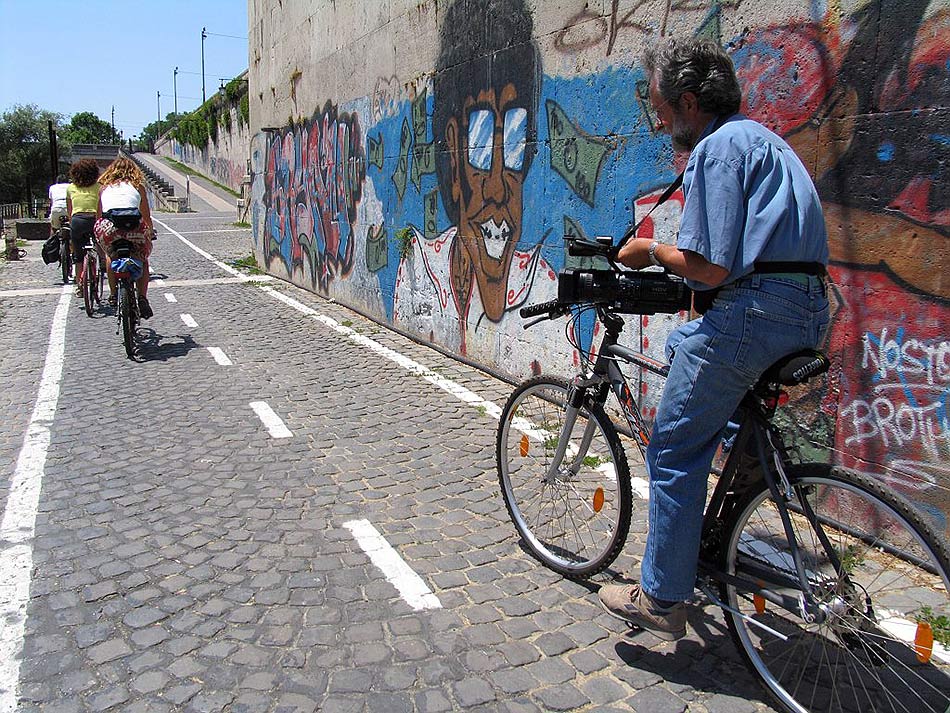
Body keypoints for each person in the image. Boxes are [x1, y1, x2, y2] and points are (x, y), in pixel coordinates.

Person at [598, 37, 830, 640]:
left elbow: (709, 267)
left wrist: (648, 249)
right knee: (686, 349)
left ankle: (662, 600)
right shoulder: (767, 141)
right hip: (804, 314)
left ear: (690, 102)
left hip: (754, 314)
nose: (657, 120)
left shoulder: (719, 148)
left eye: (662, 107)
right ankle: (726, 516)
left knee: (673, 450)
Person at [94, 157, 155, 319]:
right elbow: (146, 216)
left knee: (110, 255)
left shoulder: (104, 189)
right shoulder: (138, 187)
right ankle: (142, 297)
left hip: (110, 227)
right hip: (134, 227)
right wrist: (151, 231)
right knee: (143, 259)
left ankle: (114, 294)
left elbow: (99, 217)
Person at [66, 159, 101, 290]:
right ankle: (103, 263)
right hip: (93, 219)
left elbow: (70, 210)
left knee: (78, 256)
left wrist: (72, 225)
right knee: (101, 246)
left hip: (77, 220)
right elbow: (100, 208)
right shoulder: (99, 187)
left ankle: (80, 285)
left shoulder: (70, 188)